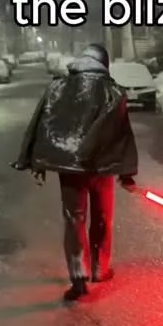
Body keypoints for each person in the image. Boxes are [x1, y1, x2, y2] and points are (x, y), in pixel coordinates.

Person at [13, 43, 138, 301]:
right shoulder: (112, 90)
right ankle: (100, 269)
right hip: (101, 166)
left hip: (69, 167)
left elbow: (42, 122)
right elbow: (121, 133)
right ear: (104, 64)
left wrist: (35, 160)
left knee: (74, 219)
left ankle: (78, 278)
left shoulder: (59, 88)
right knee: (102, 216)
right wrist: (126, 173)